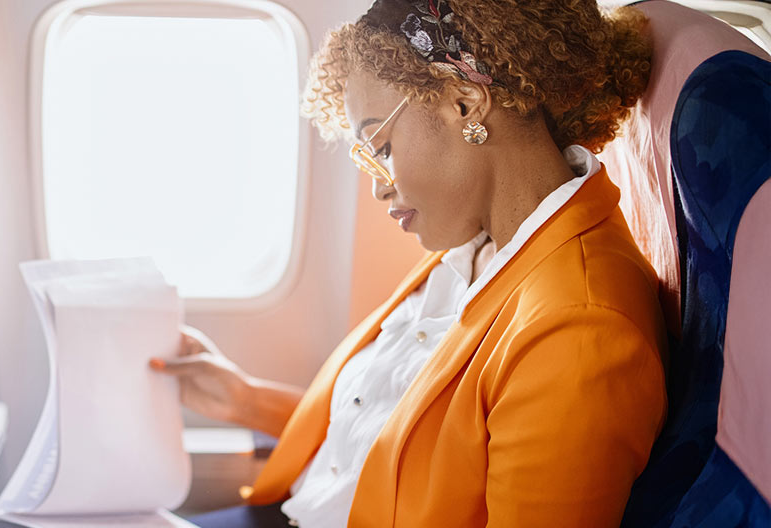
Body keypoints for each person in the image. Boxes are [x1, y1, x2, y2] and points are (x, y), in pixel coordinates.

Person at [150, 0, 668, 526]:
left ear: (466, 103)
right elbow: (394, 444)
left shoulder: (579, 328)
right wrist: (243, 400)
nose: (377, 186)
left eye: (382, 145)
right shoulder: (477, 247)